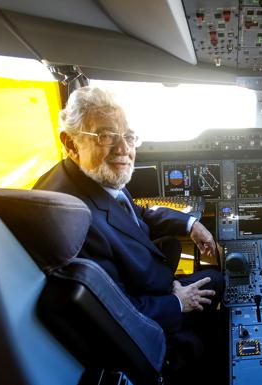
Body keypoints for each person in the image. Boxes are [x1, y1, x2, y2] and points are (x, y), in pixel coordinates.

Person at [34, 86, 224, 379]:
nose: (123, 148)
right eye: (106, 136)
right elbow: (116, 312)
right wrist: (177, 301)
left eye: (129, 136)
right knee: (218, 286)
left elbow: (136, 214)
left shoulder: (89, 177)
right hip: (143, 329)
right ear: (70, 143)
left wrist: (190, 224)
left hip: (142, 285)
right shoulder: (74, 220)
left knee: (194, 264)